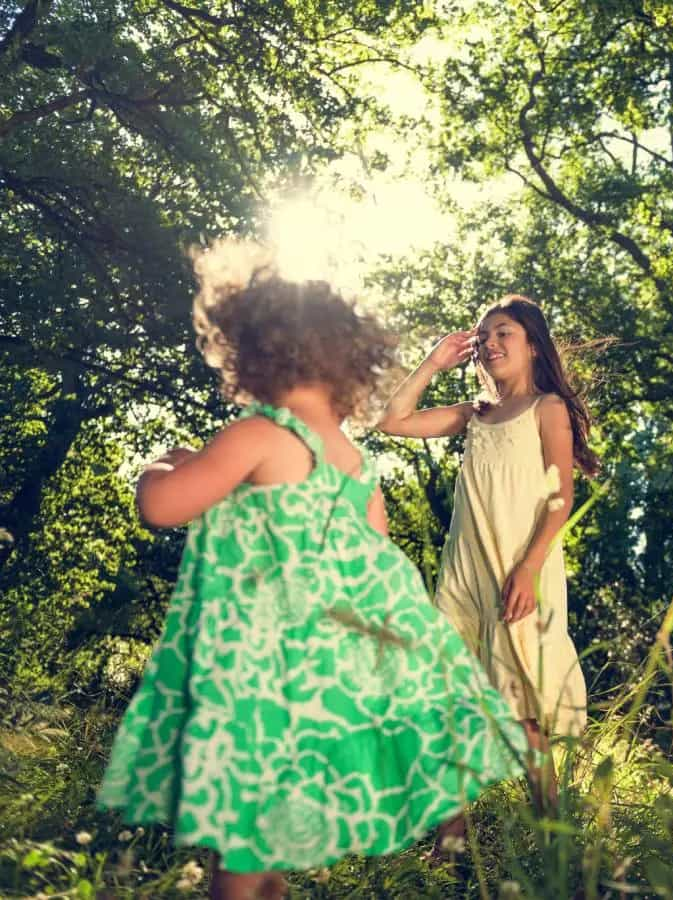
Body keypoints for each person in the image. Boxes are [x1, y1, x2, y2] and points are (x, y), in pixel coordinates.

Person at [98, 243, 528, 899]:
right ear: (349, 368)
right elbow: (377, 566)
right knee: (262, 845)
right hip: (323, 682)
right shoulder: (357, 469)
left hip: (259, 675)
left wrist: (168, 459)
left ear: (249, 358)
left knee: (241, 840)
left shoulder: (260, 436)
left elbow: (161, 506)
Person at [377, 295, 594, 831]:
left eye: (505, 333)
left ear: (533, 346)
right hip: (465, 574)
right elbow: (392, 420)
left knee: (525, 707)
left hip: (519, 570)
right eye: (484, 335)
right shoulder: (475, 415)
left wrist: (528, 568)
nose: (492, 343)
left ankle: (554, 832)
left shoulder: (547, 409)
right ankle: (450, 844)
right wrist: (432, 361)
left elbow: (561, 496)